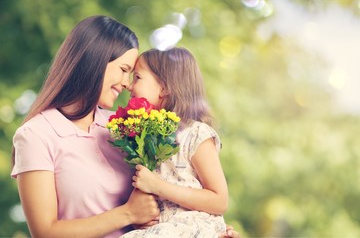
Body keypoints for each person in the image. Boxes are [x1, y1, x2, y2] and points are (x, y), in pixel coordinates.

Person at [11, 15, 240, 238]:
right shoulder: (36, 135)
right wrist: (127, 214)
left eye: (133, 75)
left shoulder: (124, 126)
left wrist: (212, 231)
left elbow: (177, 190)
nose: (126, 84)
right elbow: (45, 232)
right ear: (95, 61)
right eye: (123, 70)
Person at [121, 47, 229, 238]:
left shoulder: (196, 134)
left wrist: (158, 187)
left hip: (191, 229)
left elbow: (220, 201)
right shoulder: (143, 137)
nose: (129, 86)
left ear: (164, 88)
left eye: (137, 77)